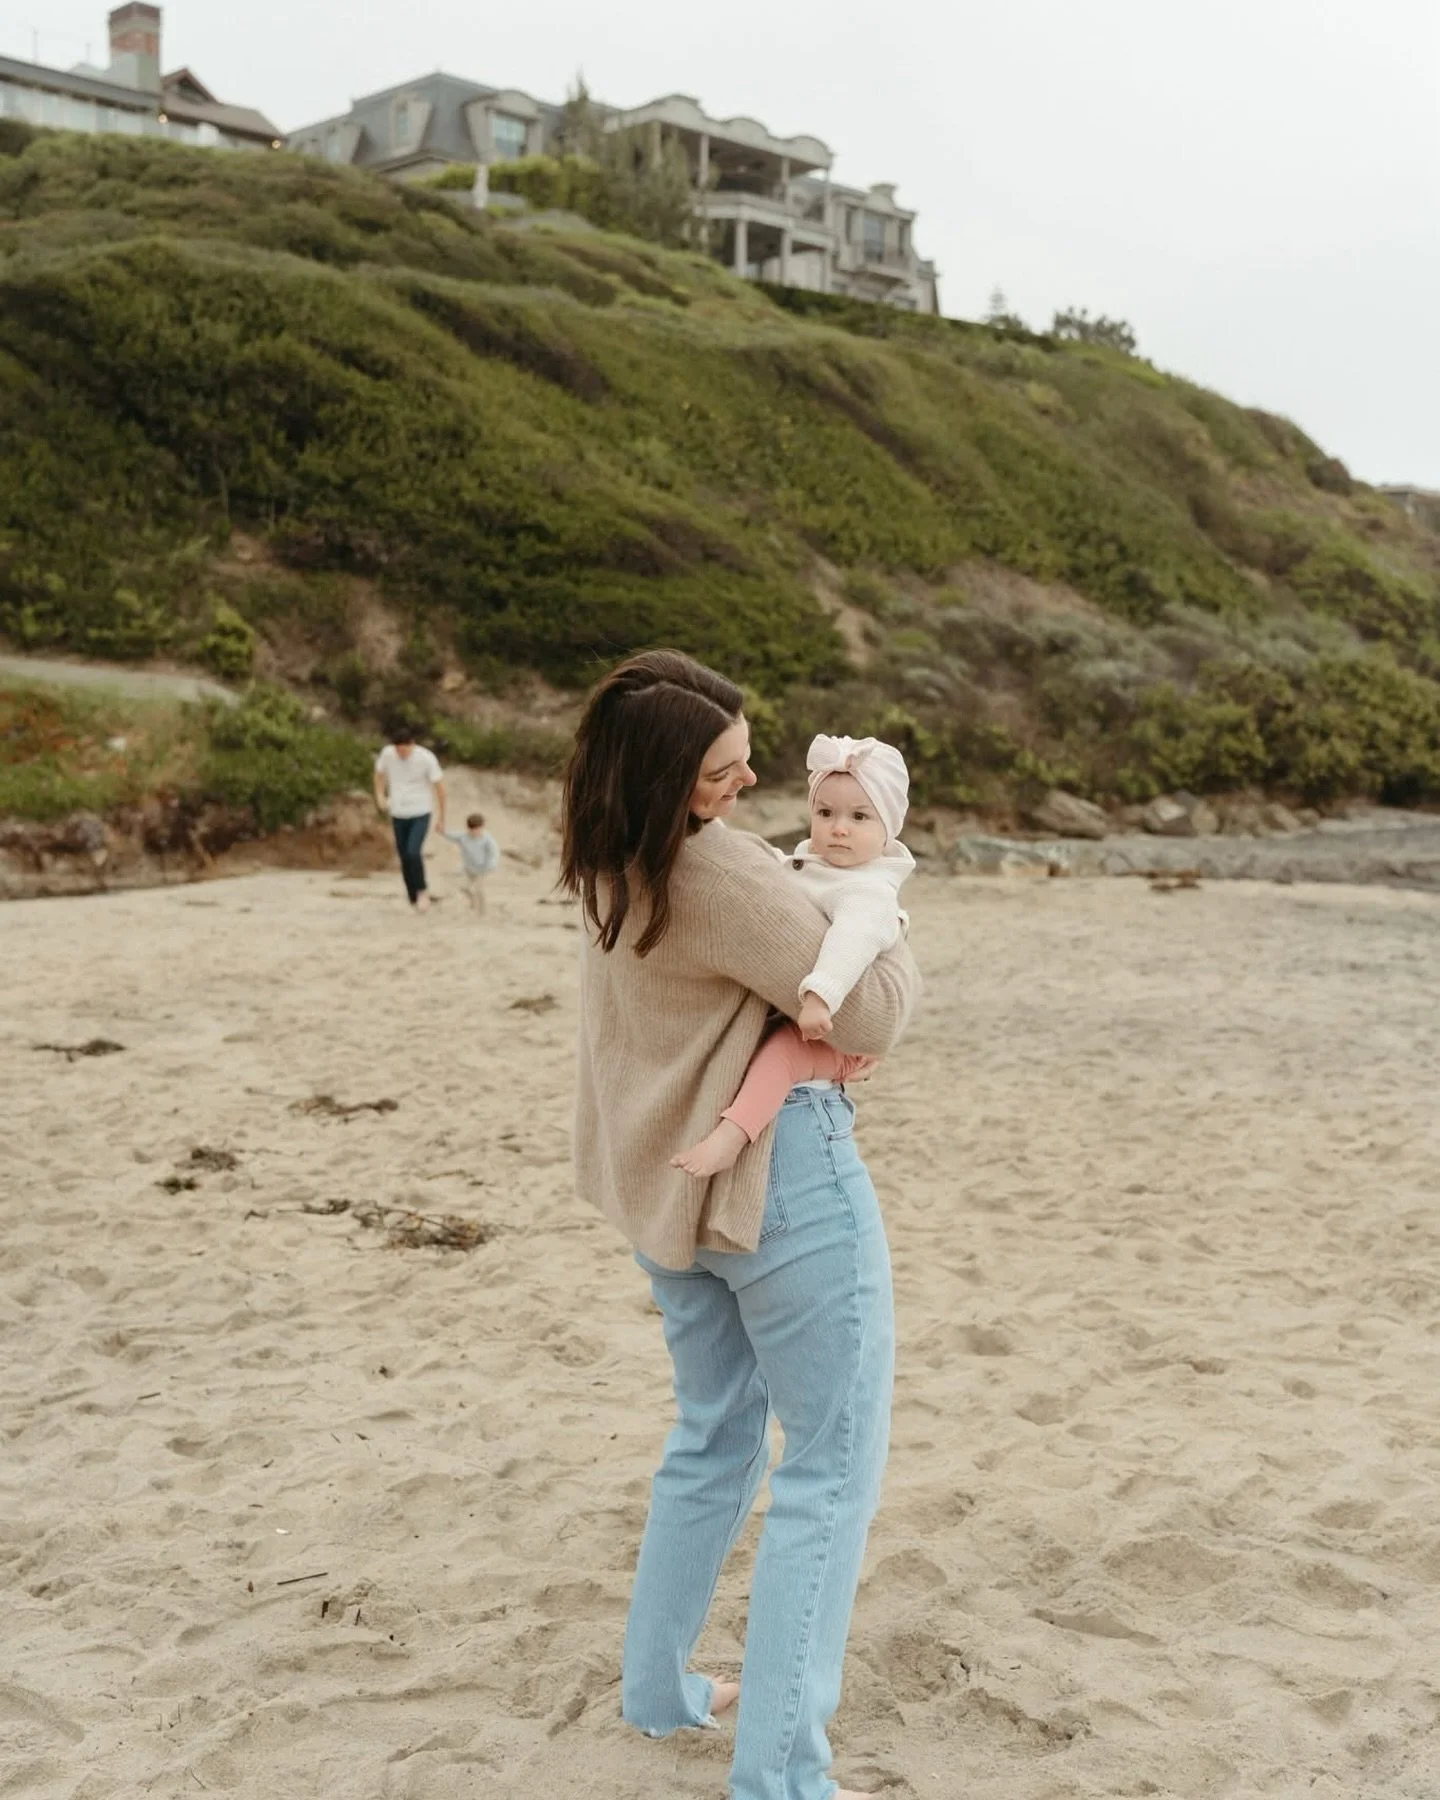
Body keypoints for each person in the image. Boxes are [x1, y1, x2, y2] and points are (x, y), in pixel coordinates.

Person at [561, 649, 919, 1800]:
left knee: (714, 1433)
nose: (751, 774)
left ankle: (658, 1691)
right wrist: (892, 920)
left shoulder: (609, 856)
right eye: (723, 767)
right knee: (829, 1467)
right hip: (777, 1183)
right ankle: (780, 1778)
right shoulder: (711, 868)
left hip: (667, 1190)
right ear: (670, 778)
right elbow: (865, 1004)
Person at [672, 732, 915, 1179]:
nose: (838, 827)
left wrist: (820, 997)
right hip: (815, 1021)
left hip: (832, 1035)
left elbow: (851, 941)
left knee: (783, 1054)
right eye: (825, 813)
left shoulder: (868, 891)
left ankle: (731, 1137)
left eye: (859, 817)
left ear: (889, 830)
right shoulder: (817, 866)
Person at [373, 727, 445, 911]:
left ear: (412, 745)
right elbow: (379, 774)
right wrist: (380, 795)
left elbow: (439, 788)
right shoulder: (388, 754)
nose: (401, 754)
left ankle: (422, 891)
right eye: (398, 750)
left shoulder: (426, 758)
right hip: (398, 811)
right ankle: (412, 895)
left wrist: (442, 817)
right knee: (404, 856)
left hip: (420, 811)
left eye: (404, 750)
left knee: (413, 852)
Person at [442, 812, 500, 915]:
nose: (474, 832)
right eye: (471, 829)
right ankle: (472, 901)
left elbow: (493, 854)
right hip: (468, 868)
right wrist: (442, 831)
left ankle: (482, 912)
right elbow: (451, 835)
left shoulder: (487, 840)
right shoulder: (464, 837)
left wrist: (489, 865)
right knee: (463, 887)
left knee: (479, 889)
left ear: (481, 828)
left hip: (483, 869)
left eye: (476, 829)